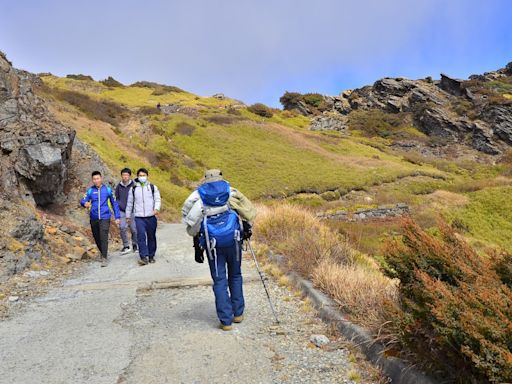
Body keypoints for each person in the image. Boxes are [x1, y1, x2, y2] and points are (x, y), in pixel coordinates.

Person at [182, 169, 256, 331]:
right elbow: (248, 211)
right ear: (221, 178)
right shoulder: (230, 191)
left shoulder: (199, 195)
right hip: (233, 240)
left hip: (213, 244)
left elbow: (189, 219)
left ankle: (225, 320)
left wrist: (195, 236)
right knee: (235, 275)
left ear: (206, 179)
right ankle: (238, 313)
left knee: (219, 279)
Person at [80, 171, 121, 267]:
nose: (96, 180)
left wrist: (117, 217)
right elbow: (83, 199)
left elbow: (114, 203)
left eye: (98, 178)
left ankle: (104, 257)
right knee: (96, 236)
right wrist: (84, 203)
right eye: (94, 179)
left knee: (103, 236)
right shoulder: (90, 191)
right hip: (93, 217)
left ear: (101, 178)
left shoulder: (108, 190)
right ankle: (102, 252)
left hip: (105, 216)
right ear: (92, 180)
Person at [126, 168, 161, 266]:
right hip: (139, 217)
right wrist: (128, 215)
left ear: (147, 176)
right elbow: (130, 203)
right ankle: (143, 257)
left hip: (151, 216)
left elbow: (157, 199)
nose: (142, 177)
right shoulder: (133, 189)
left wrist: (156, 208)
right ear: (137, 177)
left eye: (144, 175)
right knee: (141, 236)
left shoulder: (153, 187)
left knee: (151, 236)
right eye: (140, 175)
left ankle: (151, 255)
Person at [115, 168, 138, 254]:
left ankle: (135, 245)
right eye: (123, 175)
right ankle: (126, 246)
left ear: (130, 176)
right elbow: (116, 198)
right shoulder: (119, 186)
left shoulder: (134, 185)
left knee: (134, 229)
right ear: (121, 176)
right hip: (122, 210)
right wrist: (118, 205)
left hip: (132, 211)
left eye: (127, 175)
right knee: (122, 227)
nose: (125, 177)